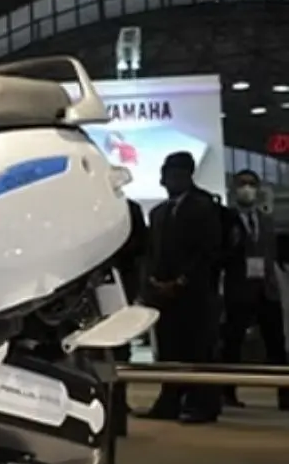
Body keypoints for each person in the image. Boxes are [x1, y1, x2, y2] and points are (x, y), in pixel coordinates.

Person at [140, 151, 224, 424]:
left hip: (195, 294)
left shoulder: (205, 207)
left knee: (199, 350)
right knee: (169, 350)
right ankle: (169, 401)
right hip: (164, 296)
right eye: (166, 174)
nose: (169, 180)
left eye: (175, 174)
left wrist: (181, 281)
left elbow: (209, 251)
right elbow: (151, 253)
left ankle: (203, 404)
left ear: (188, 175)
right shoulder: (158, 213)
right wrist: (153, 282)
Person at [220, 170, 286, 409]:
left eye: (251, 184)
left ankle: (285, 394)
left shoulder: (266, 220)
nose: (247, 189)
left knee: (276, 344)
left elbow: (272, 253)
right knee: (232, 343)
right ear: (233, 188)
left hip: (266, 289)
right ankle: (227, 392)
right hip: (239, 289)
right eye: (242, 184)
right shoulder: (226, 220)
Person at [107, 198, 148, 436]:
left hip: (120, 287)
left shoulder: (129, 208)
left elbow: (141, 248)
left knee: (119, 353)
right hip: (90, 290)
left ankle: (117, 413)